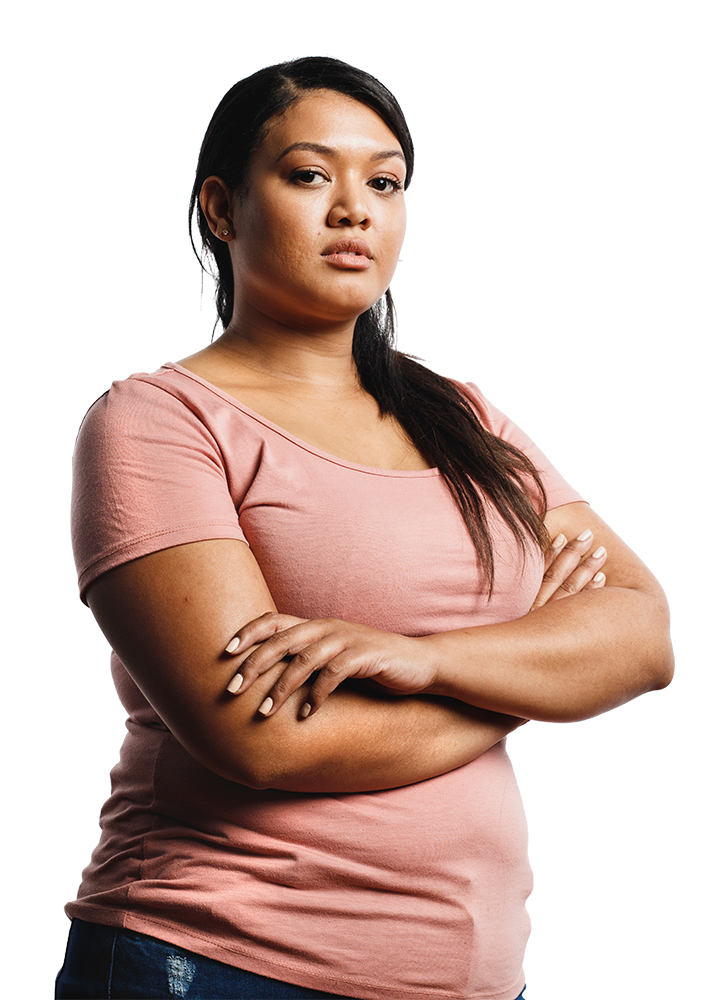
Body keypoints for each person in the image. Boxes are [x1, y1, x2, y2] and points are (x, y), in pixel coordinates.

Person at [56, 56, 673, 1000]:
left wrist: (421, 657)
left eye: (384, 183)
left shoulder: (465, 416)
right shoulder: (157, 420)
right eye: (310, 176)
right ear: (220, 208)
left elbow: (641, 636)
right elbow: (260, 740)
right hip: (218, 957)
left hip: (476, 975)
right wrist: (533, 678)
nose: (355, 209)